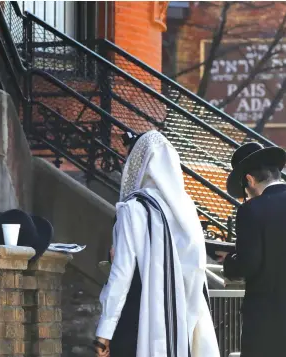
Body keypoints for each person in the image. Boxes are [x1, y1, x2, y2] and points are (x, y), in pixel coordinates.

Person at [94, 131, 219, 357]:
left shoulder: (134, 208)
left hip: (137, 313)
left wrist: (105, 330)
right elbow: (197, 267)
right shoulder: (187, 209)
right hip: (181, 320)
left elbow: (121, 273)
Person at [218, 142, 286, 357]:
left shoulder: (251, 210)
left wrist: (229, 261)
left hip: (267, 320)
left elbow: (247, 265)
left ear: (249, 179)